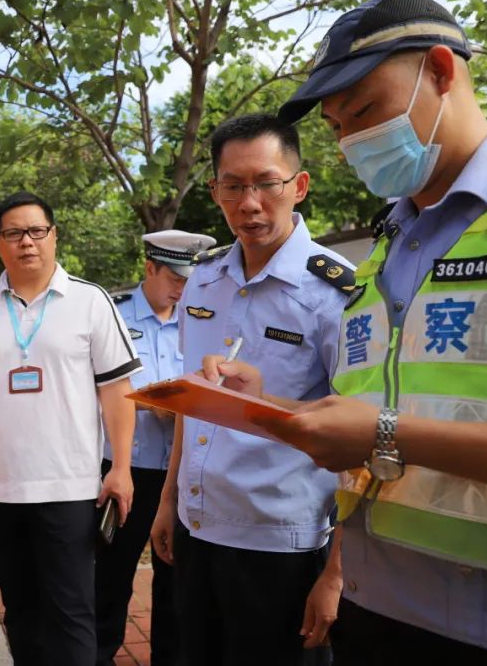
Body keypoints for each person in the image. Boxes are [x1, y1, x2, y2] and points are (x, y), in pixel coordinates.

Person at [213, 0, 487, 664]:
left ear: (441, 70)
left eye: (367, 110)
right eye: (338, 124)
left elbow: (387, 428)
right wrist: (270, 404)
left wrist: (383, 433)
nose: (352, 141)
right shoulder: (387, 249)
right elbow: (388, 411)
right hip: (377, 613)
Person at [149, 113, 354, 665]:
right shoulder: (205, 281)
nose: (250, 203)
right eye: (233, 186)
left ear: (299, 186)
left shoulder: (334, 294)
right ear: (214, 191)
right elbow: (194, 408)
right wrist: (168, 502)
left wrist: (337, 572)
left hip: (281, 544)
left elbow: (359, 439)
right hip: (197, 529)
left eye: (266, 183)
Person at [0, 191, 141, 665]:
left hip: (68, 488)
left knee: (70, 612)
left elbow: (117, 391)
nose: (27, 242)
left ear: (53, 236)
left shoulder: (90, 302)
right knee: (21, 610)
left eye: (36, 231)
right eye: (14, 233)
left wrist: (122, 467)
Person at [96, 230, 216, 666]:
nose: (183, 290)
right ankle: (99, 653)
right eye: (176, 279)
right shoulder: (114, 316)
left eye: (190, 280)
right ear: (150, 268)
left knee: (176, 578)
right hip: (130, 467)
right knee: (112, 574)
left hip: (184, 473)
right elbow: (95, 387)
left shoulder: (202, 318)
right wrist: (153, 404)